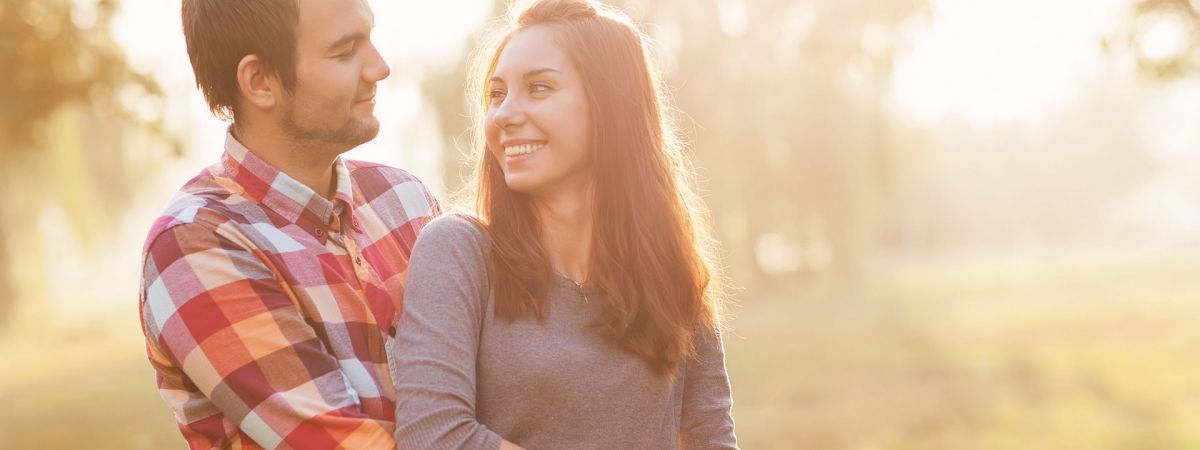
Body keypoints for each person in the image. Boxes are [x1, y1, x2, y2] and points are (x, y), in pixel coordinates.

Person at [390, 0, 738, 448]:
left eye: (539, 88)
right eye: (497, 94)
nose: (504, 115)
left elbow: (712, 438)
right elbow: (432, 436)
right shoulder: (458, 251)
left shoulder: (670, 273)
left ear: (611, 107)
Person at [139, 0, 439, 447]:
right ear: (260, 82)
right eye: (345, 51)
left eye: (371, 38)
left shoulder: (404, 198)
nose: (380, 68)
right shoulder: (196, 245)